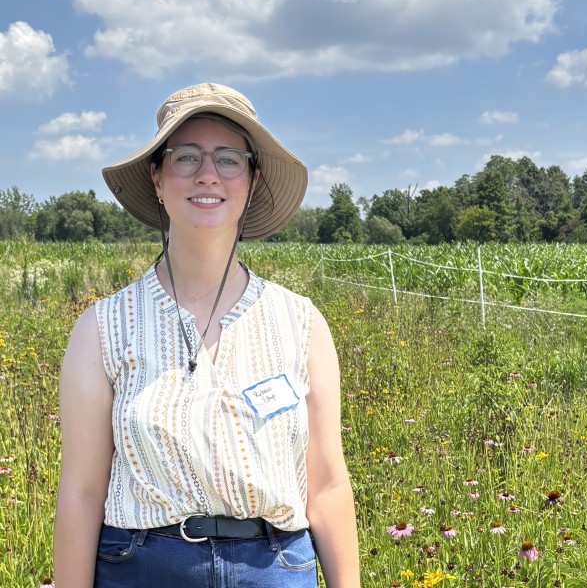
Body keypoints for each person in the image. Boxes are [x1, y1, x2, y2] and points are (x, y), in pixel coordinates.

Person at [53, 83, 360, 588]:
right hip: (141, 569)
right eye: (186, 156)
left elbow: (326, 487)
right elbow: (82, 494)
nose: (208, 174)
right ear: (156, 177)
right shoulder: (102, 329)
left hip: (278, 568)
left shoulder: (301, 323)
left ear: (253, 179)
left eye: (229, 159)